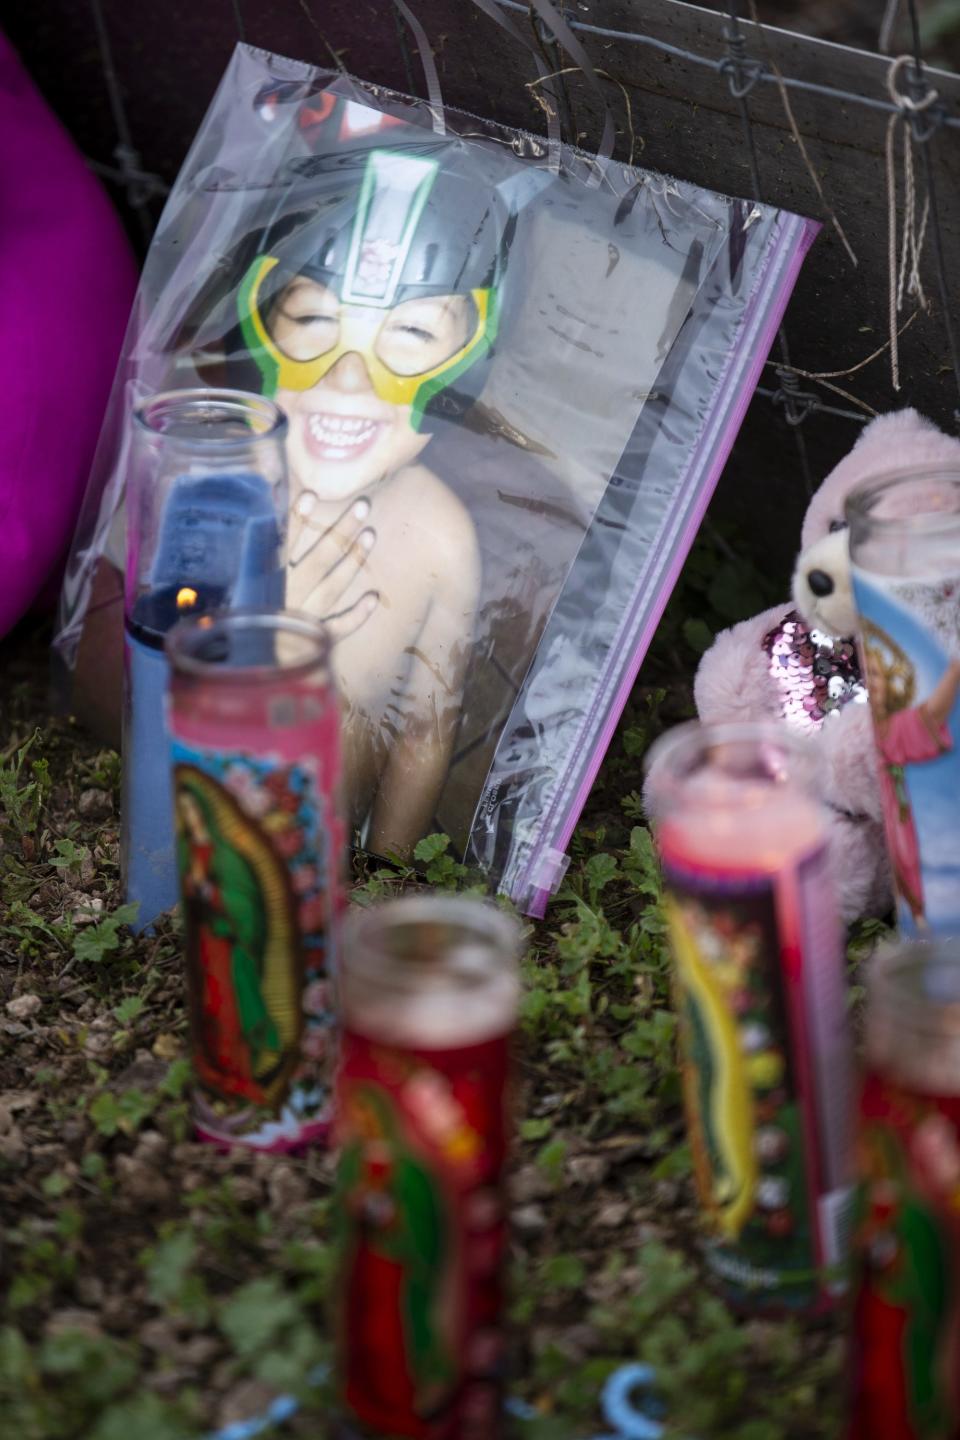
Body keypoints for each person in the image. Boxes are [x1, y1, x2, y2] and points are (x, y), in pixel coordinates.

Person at [862, 622, 960, 927]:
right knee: (909, 879)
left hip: (915, 821)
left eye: (877, 674)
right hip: (899, 818)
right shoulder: (883, 727)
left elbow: (931, 714)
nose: (873, 681)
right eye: (869, 674)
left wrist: (955, 670)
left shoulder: (898, 727)